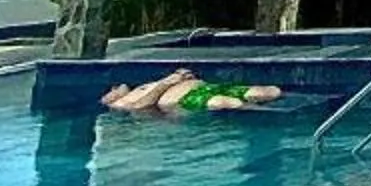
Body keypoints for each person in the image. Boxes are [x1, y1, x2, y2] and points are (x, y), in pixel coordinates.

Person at [101, 69, 284, 117]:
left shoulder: (139, 87)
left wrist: (182, 76)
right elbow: (140, 106)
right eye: (110, 91)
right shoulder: (120, 104)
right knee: (222, 102)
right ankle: (269, 115)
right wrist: (167, 82)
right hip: (190, 98)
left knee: (270, 92)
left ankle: (265, 104)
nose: (113, 88)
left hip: (205, 87)